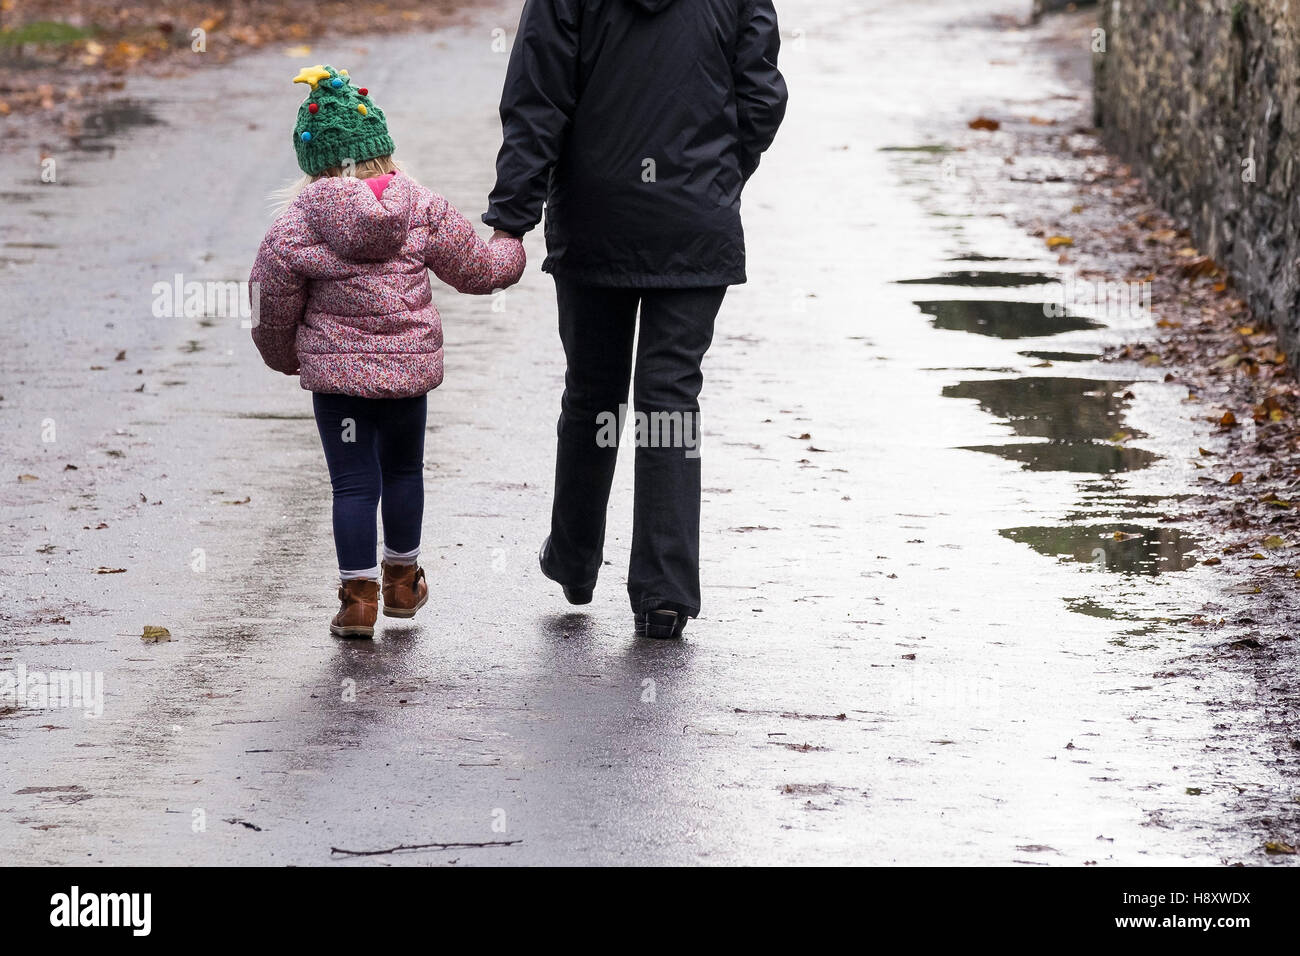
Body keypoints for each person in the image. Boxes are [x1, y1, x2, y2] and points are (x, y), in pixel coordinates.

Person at [484, 0, 789, 639]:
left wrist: (514, 216)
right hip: (693, 223)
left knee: (593, 391)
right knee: (670, 397)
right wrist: (717, 177)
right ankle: (664, 592)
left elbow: (537, 99)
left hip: (597, 216)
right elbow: (761, 95)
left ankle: (573, 559)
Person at [250, 65, 526, 638]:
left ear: (313, 162)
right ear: (381, 147)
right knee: (403, 471)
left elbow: (267, 301)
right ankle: (402, 583)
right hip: (406, 376)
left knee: (352, 484)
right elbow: (478, 271)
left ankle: (357, 603)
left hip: (338, 382)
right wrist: (510, 243)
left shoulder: (296, 224)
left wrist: (284, 355)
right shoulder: (421, 206)